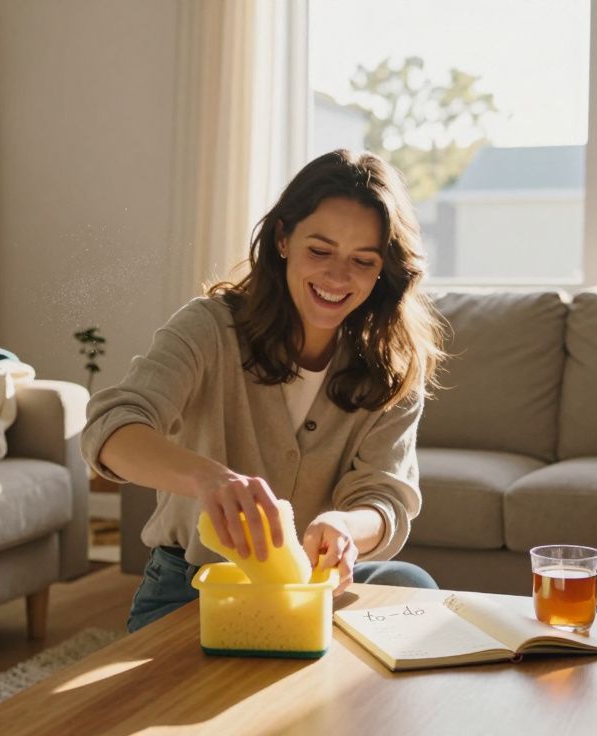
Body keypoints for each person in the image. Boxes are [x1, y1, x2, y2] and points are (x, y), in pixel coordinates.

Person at [81, 149, 448, 633]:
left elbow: (384, 499)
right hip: (192, 587)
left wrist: (346, 529)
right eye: (319, 251)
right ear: (282, 239)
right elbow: (111, 428)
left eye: (363, 261)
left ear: (384, 271)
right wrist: (209, 480)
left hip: (310, 593)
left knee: (408, 581)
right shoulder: (208, 328)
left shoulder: (391, 366)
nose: (338, 277)